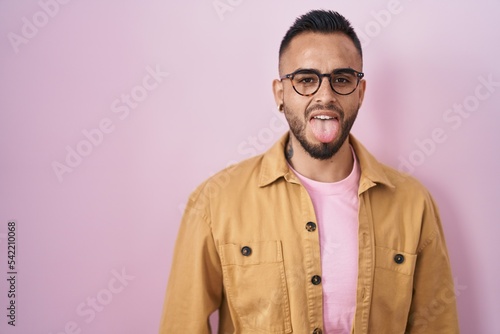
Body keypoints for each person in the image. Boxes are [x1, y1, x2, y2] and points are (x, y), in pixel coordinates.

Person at [159, 9, 459, 334]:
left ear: (360, 92)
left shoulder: (413, 204)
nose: (325, 96)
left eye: (342, 79)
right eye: (305, 80)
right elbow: (182, 325)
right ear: (280, 93)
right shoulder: (215, 203)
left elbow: (436, 326)